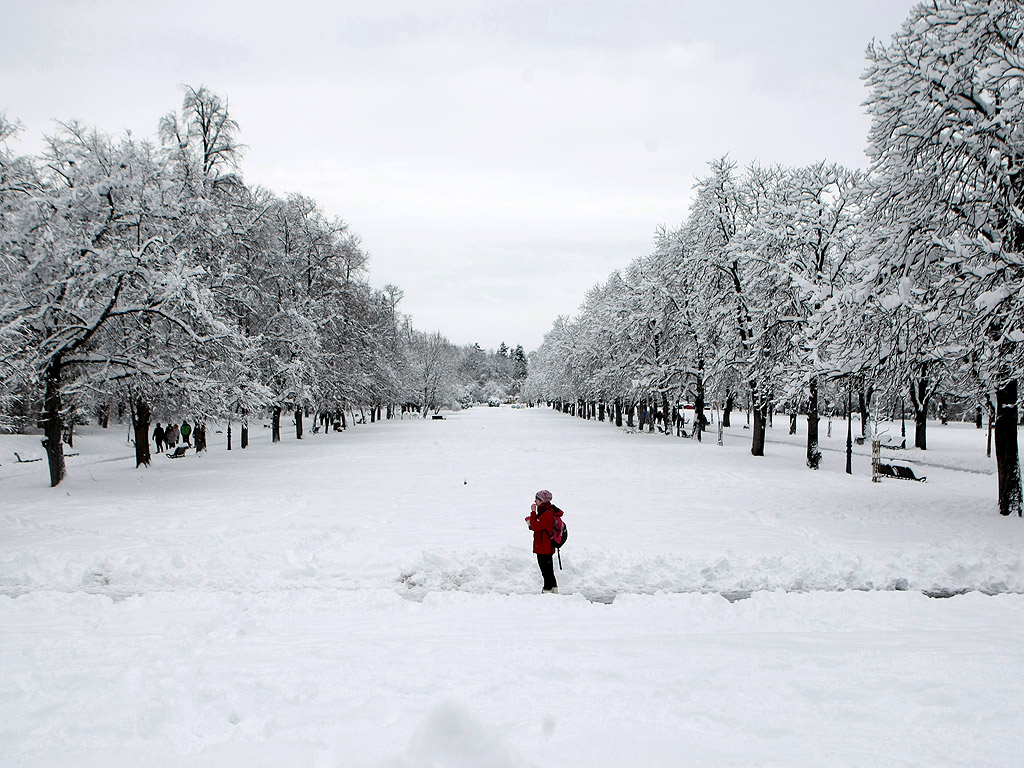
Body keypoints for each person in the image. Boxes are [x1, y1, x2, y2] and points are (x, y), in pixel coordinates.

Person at [526, 490, 563, 593]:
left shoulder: (547, 513)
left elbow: (535, 526)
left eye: (537, 499)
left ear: (542, 500)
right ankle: (554, 590)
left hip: (544, 547)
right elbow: (538, 525)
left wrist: (533, 512)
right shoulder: (545, 511)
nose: (535, 501)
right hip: (545, 546)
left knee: (546, 572)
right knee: (548, 571)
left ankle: (547, 592)